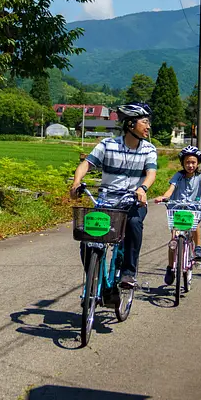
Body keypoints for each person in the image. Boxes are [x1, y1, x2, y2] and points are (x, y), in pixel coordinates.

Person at [69, 103, 158, 290]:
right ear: (131, 124)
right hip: (106, 201)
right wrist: (77, 182)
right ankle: (95, 274)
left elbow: (151, 174)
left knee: (134, 224)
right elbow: (86, 164)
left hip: (133, 201)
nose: (148, 127)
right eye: (145, 122)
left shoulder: (149, 149)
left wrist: (142, 189)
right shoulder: (107, 145)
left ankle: (128, 272)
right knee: (87, 238)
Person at [153, 145, 201, 283]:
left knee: (195, 224)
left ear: (198, 163)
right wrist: (164, 196)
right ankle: (170, 267)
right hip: (178, 209)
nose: (190, 165)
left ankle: (197, 248)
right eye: (187, 162)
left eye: (193, 162)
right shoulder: (178, 176)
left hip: (193, 209)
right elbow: (170, 189)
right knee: (173, 240)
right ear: (182, 163)